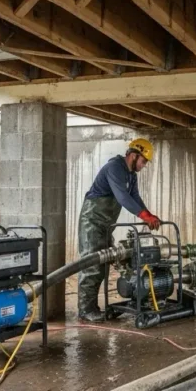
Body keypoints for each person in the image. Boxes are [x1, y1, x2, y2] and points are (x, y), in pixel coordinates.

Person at [77, 138, 162, 322]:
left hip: (106, 225)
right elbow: (123, 197)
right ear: (133, 156)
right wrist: (144, 216)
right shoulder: (114, 168)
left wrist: (148, 214)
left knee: (104, 265)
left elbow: (135, 197)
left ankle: (93, 307)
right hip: (92, 222)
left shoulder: (131, 175)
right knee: (92, 266)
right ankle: (85, 310)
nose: (144, 165)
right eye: (143, 161)